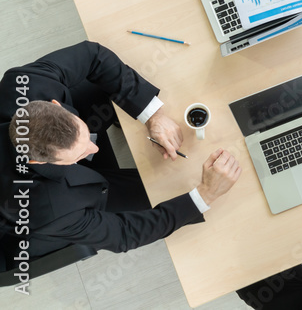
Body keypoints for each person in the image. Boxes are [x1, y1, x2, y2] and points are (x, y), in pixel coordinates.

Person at [0, 42, 241, 257]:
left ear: (55, 105)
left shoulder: (25, 84)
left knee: (100, 90)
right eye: (80, 154)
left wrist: (153, 115)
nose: (94, 147)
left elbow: (92, 55)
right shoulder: (51, 212)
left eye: (84, 134)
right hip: (43, 197)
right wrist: (206, 194)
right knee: (163, 191)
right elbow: (125, 233)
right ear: (40, 162)